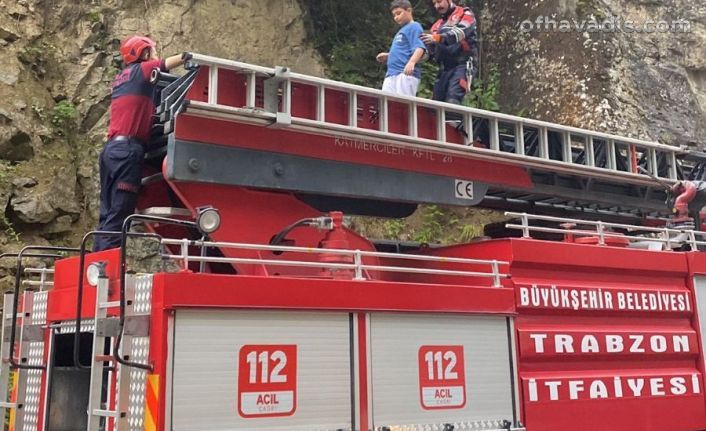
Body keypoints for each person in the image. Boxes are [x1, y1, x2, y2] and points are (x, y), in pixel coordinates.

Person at [94, 35, 189, 251]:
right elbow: (168, 63)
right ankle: (104, 270)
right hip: (127, 151)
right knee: (119, 213)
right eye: (153, 51)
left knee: (107, 213)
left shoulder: (121, 79)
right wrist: (188, 57)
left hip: (110, 151)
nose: (156, 55)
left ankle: (94, 264)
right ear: (144, 53)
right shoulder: (143, 71)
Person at [420, 0, 478, 105]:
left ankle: (453, 120)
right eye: (434, 4)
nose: (437, 6)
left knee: (453, 98)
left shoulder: (465, 14)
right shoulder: (436, 26)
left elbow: (460, 33)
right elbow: (429, 52)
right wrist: (407, 57)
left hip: (462, 64)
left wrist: (438, 38)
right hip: (444, 68)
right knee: (436, 104)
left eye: (439, 1)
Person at [376, 0, 426, 97]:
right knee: (386, 102)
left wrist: (412, 62)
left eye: (399, 13)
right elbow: (403, 50)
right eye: (394, 15)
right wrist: (388, 56)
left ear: (409, 10)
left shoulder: (414, 27)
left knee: (403, 103)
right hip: (391, 73)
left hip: (404, 73)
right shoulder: (401, 31)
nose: (396, 17)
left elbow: (419, 48)